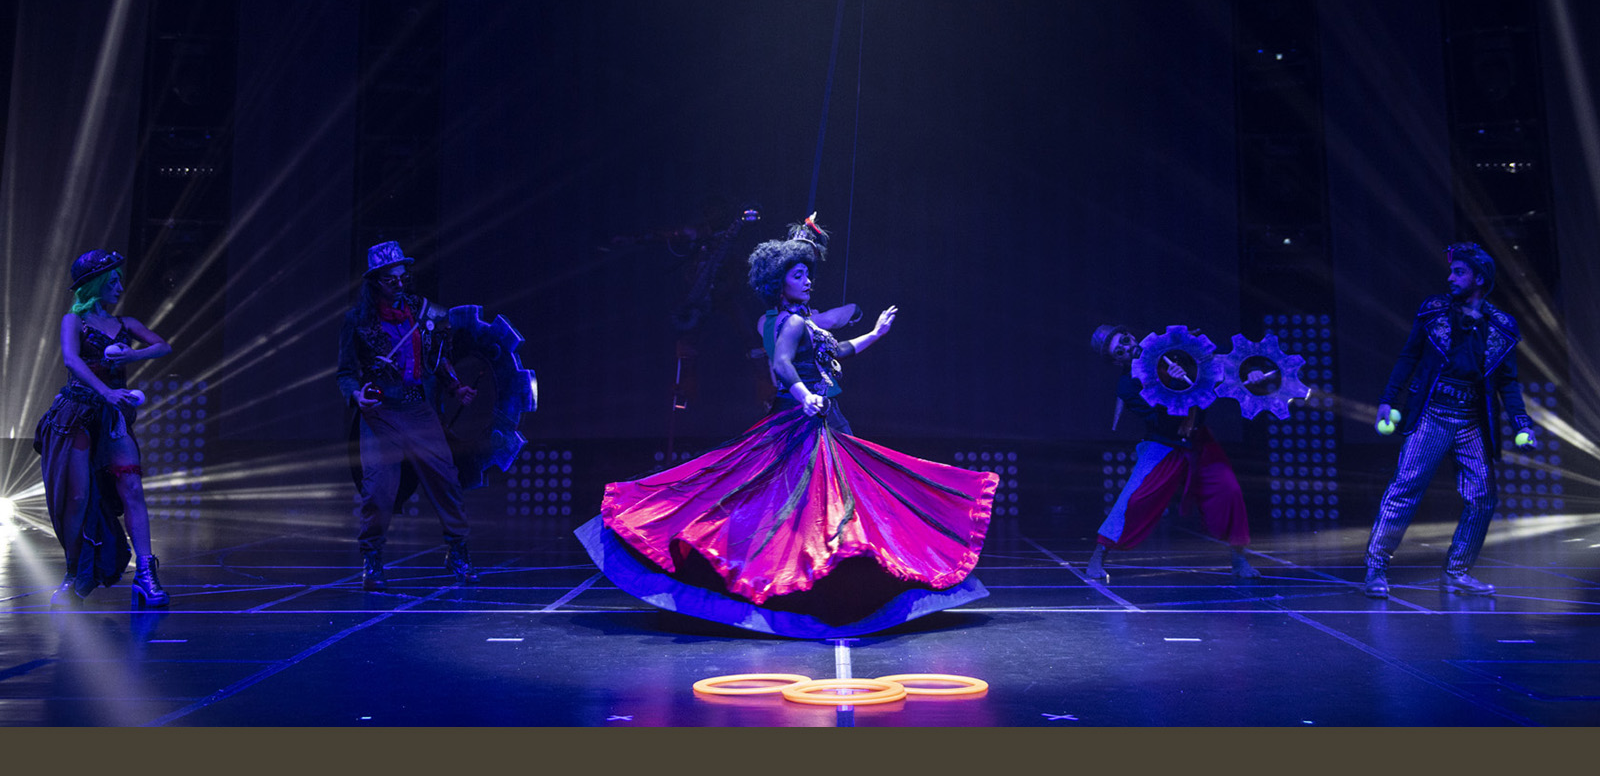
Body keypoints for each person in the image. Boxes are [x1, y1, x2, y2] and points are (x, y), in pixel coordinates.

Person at [577, 216, 998, 638]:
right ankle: (810, 576)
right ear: (780, 283)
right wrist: (805, 395)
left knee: (831, 497)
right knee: (802, 501)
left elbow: (840, 349)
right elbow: (780, 363)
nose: (808, 281)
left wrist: (876, 332)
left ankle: (838, 570)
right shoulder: (789, 323)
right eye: (798, 275)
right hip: (803, 417)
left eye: (808, 274)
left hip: (820, 415)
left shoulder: (801, 323)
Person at [1363, 242, 1535, 599]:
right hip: (1433, 412)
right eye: (1452, 271)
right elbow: (1409, 356)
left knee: (1483, 497)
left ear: (1479, 278)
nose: (1450, 277)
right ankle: (1376, 567)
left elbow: (1508, 382)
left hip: (1472, 420)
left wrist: (1522, 423)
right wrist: (1387, 400)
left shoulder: (1502, 326)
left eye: (1459, 272)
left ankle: (1456, 571)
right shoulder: (1434, 311)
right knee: (1405, 488)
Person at [337, 240, 479, 591]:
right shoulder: (357, 320)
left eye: (403, 277)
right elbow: (346, 373)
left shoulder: (422, 311)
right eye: (391, 280)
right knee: (378, 490)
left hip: (418, 410)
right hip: (380, 413)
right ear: (375, 282)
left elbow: (437, 358)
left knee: (446, 481)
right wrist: (357, 395)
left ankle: (458, 552)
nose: (400, 284)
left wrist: (455, 387)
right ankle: (372, 559)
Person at [33, 250, 172, 606]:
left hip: (113, 418)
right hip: (77, 413)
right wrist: (106, 392)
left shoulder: (126, 323)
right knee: (77, 497)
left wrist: (133, 356)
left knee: (132, 488)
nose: (119, 288)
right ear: (95, 285)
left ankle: (146, 574)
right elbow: (71, 360)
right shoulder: (74, 321)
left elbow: (162, 346)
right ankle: (73, 573)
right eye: (112, 282)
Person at [1084, 323, 1260, 582]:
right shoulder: (1128, 386)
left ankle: (1238, 558)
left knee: (1228, 490)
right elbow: (1159, 421)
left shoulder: (1169, 347)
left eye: (1124, 340)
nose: (1126, 348)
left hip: (1197, 438)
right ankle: (1099, 555)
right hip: (1164, 442)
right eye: (1119, 351)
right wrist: (1175, 384)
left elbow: (1215, 355)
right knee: (1135, 499)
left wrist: (1249, 371)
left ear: (1130, 335)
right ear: (1117, 361)